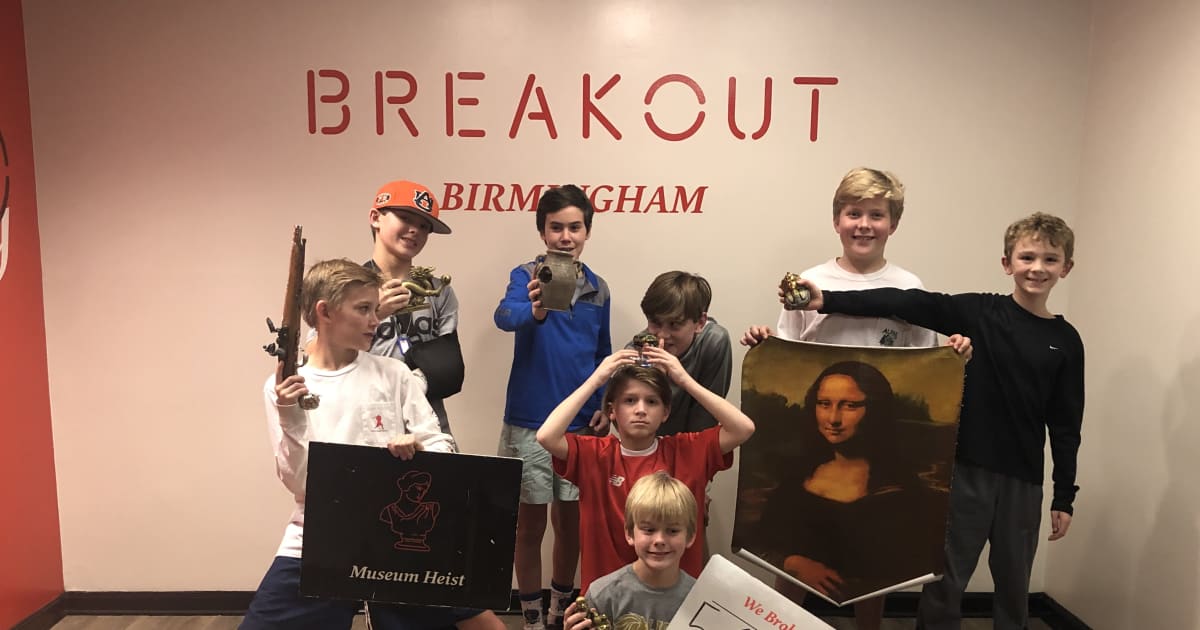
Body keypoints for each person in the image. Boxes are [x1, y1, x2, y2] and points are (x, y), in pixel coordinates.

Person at [787, 212, 1084, 630]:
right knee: (946, 580)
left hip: (1024, 480)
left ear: (1065, 268)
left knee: (1015, 584)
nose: (1037, 268)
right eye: (1027, 257)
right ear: (1007, 263)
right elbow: (903, 301)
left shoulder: (1066, 341)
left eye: (1050, 260)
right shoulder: (978, 313)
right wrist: (827, 299)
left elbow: (1067, 424)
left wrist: (1063, 496)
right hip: (965, 472)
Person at [740, 167, 969, 630]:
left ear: (893, 223)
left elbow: (923, 364)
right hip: (818, 459)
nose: (864, 224)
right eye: (854, 213)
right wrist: (765, 343)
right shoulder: (808, 281)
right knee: (799, 543)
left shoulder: (910, 288)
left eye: (876, 215)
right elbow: (789, 346)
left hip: (879, 455)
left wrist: (953, 352)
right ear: (837, 220)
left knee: (871, 565)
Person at [242, 259, 503, 630]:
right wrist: (290, 414)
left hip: (399, 543)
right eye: (363, 309)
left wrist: (420, 453)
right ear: (325, 311)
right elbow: (299, 484)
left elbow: (441, 446)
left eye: (373, 308)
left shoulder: (393, 373)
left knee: (487, 626)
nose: (375, 320)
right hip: (319, 540)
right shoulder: (285, 387)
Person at [535, 345, 755, 594]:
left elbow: (743, 428)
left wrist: (684, 380)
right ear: (612, 410)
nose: (640, 409)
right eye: (630, 400)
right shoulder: (595, 455)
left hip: (674, 604)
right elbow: (546, 436)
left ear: (665, 412)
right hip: (608, 602)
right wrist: (596, 380)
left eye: (651, 402)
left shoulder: (687, 451)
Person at [494, 185, 612, 630]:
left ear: (587, 231)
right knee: (528, 529)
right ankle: (531, 618)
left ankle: (562, 613)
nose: (565, 236)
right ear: (542, 231)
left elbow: (602, 353)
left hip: (581, 428)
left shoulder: (599, 289)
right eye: (556, 227)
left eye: (574, 227)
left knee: (572, 527)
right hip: (529, 422)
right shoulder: (524, 276)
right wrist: (535, 311)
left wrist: (605, 402)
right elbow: (503, 317)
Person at [753, 362, 949, 604]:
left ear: (875, 410)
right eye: (824, 404)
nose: (833, 418)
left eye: (850, 405)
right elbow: (765, 541)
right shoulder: (795, 482)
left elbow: (890, 569)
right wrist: (792, 563)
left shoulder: (900, 493)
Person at [365, 179, 464, 435]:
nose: (415, 230)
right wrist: (375, 314)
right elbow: (325, 357)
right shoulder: (346, 285)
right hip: (367, 417)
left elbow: (449, 369)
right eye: (405, 218)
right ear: (376, 217)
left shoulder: (439, 290)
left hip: (427, 418)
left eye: (424, 226)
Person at [562, 472, 699, 630]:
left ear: (690, 536)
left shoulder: (701, 599)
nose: (660, 540)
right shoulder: (602, 595)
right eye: (649, 530)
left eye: (673, 531)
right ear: (629, 533)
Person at [628, 271, 731, 436]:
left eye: (674, 324)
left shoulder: (713, 341)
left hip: (694, 445)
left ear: (700, 323)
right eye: (655, 322)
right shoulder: (635, 352)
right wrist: (655, 380)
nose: (662, 335)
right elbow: (631, 430)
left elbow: (706, 419)